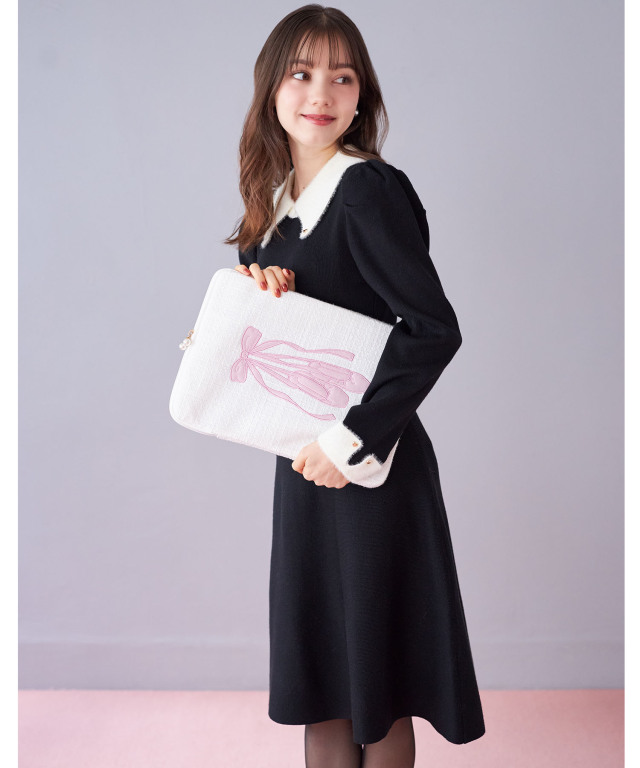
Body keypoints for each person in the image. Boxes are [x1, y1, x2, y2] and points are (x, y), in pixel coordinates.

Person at [225, 5, 486, 767]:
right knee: (326, 686)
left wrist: (349, 442)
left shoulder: (367, 187)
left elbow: (432, 329)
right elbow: (274, 326)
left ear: (362, 92)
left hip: (370, 463)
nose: (321, 93)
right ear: (271, 87)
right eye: (302, 73)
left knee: (378, 685)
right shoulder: (273, 199)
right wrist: (261, 292)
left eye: (342, 77)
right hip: (303, 463)